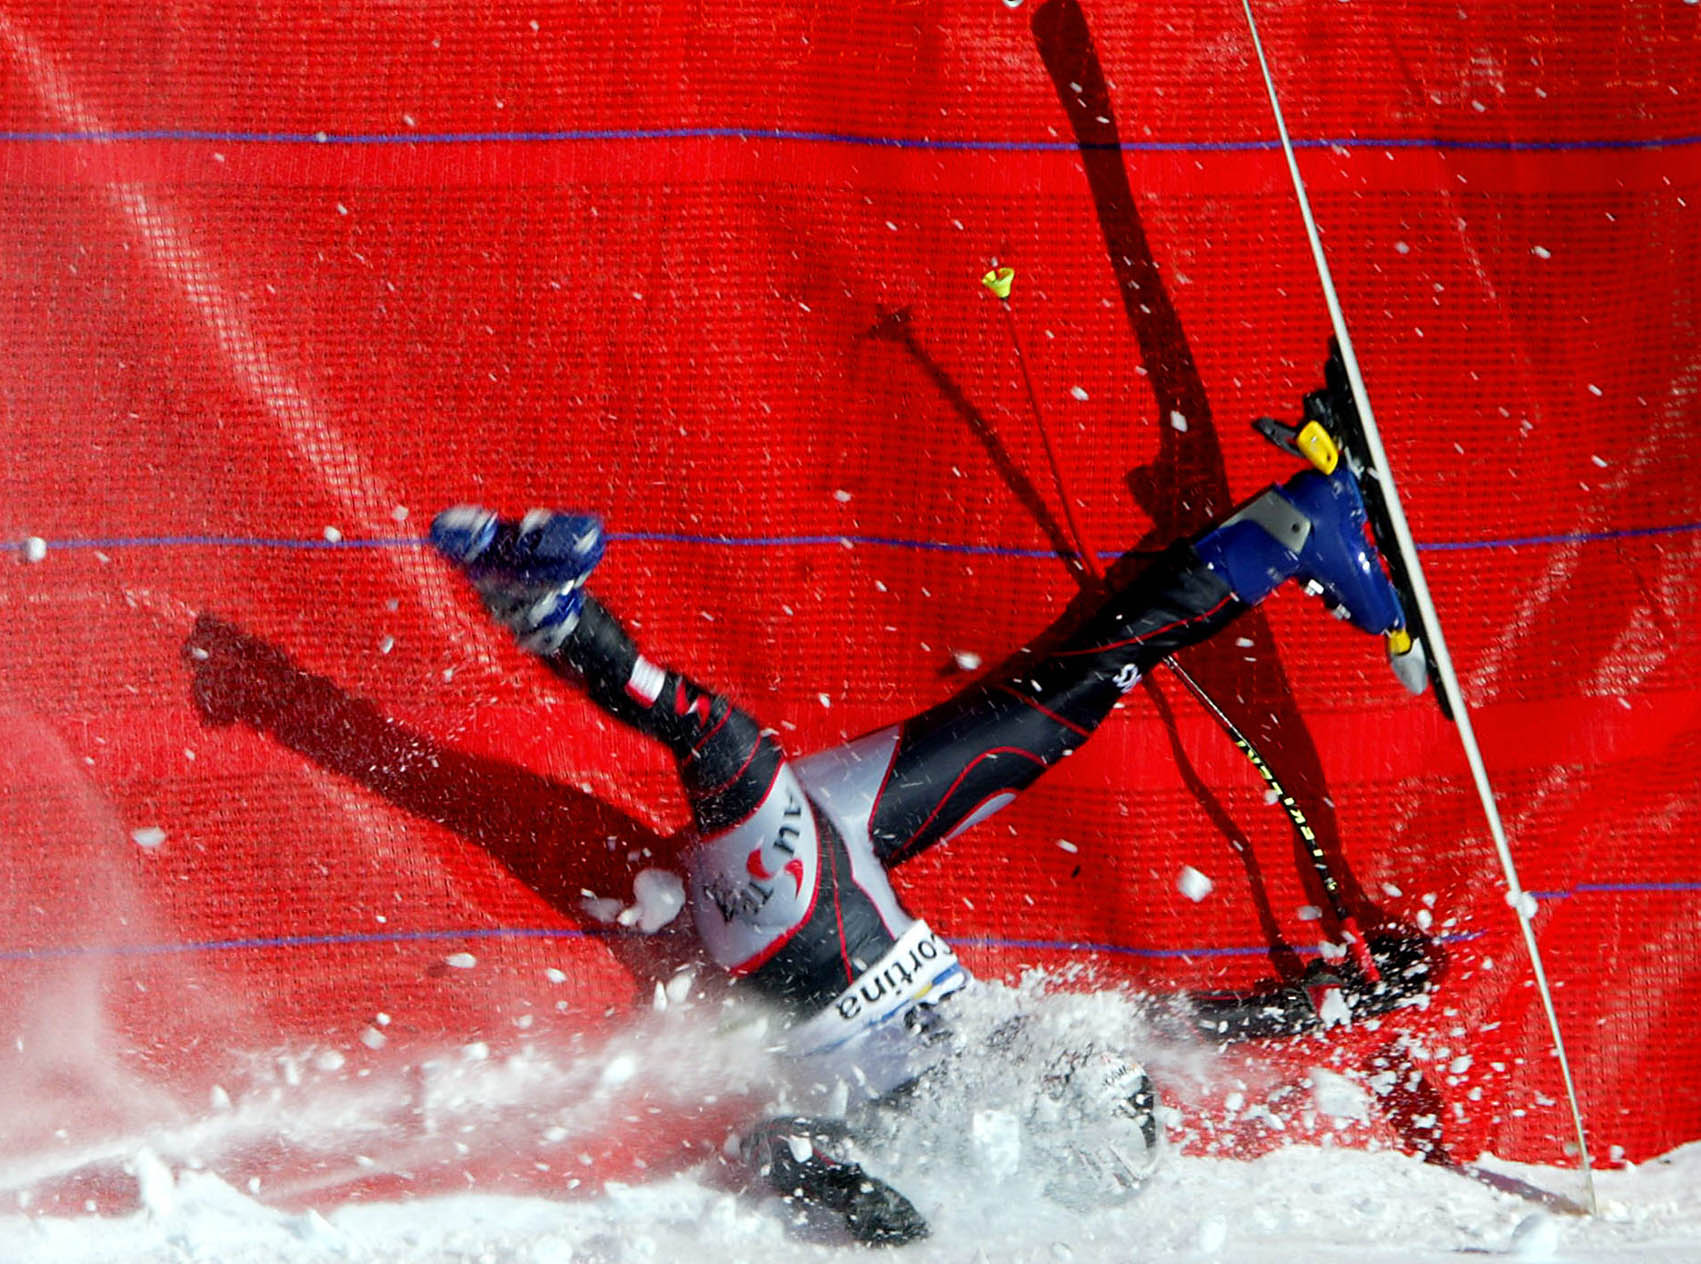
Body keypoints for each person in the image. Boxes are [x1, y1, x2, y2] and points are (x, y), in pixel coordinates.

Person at [427, 423, 1411, 1244]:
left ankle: (545, 606)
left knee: (719, 739)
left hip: (802, 945)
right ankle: (1291, 529)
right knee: (1057, 702)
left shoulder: (936, 1137)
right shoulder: (1039, 1051)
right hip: (854, 871)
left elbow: (775, 1145)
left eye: (1071, 1083)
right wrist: (1341, 1001)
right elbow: (1190, 1025)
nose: (1068, 1058)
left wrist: (869, 1211)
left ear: (1041, 1127)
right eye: (1088, 1069)